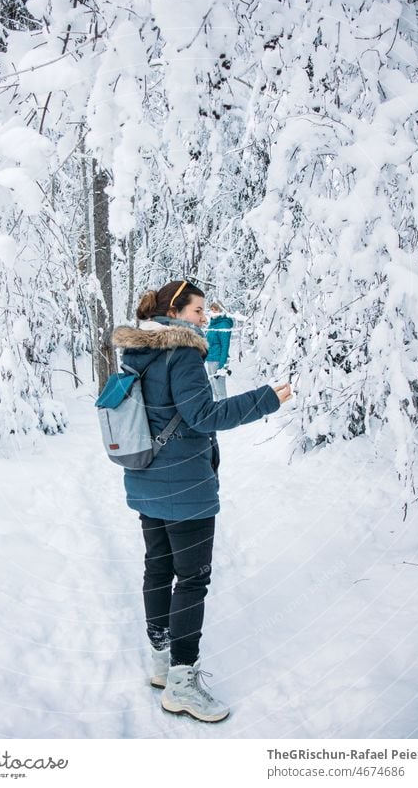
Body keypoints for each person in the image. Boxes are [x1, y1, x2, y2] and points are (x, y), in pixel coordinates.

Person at [112, 280, 292, 723]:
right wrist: (266, 399)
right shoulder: (185, 353)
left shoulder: (138, 351)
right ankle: (182, 684)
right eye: (197, 312)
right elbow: (204, 416)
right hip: (185, 487)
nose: (203, 319)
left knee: (158, 566)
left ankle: (161, 660)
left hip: (144, 478)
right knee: (192, 580)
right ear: (176, 309)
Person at [205, 301, 233, 401]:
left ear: (220, 310)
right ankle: (217, 413)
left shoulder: (224, 324)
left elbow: (225, 346)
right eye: (211, 309)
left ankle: (224, 413)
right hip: (210, 360)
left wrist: (222, 366)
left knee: (220, 391)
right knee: (214, 390)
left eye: (215, 309)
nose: (212, 312)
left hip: (218, 361)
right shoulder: (212, 325)